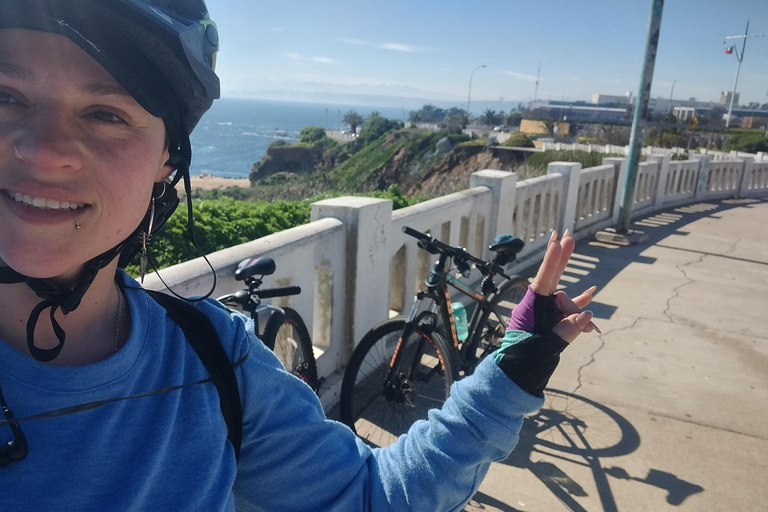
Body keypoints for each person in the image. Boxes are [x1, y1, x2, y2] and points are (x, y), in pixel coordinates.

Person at [0, 2, 595, 510]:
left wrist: (515, 368)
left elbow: (372, 498)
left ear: (167, 160)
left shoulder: (214, 359)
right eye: (6, 95)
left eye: (106, 114)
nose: (44, 152)